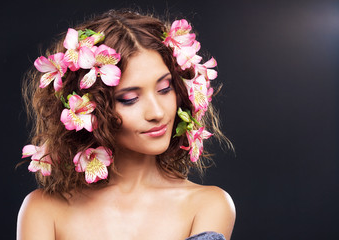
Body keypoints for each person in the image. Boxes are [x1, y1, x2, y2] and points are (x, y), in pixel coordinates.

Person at [17, 9, 236, 240]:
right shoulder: (43, 210)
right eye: (129, 99)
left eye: (165, 89)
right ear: (90, 108)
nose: (157, 112)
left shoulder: (208, 205)